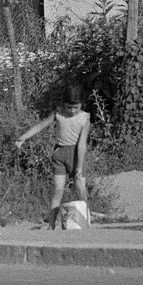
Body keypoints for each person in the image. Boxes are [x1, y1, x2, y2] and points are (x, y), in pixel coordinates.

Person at [15, 82, 90, 230]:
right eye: (69, 107)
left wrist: (79, 167)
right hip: (59, 154)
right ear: (64, 104)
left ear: (82, 104)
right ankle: (51, 224)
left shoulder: (85, 118)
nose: (73, 111)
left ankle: (86, 219)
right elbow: (41, 125)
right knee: (58, 190)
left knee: (80, 187)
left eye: (76, 107)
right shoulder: (58, 114)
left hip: (76, 154)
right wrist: (23, 137)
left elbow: (82, 144)